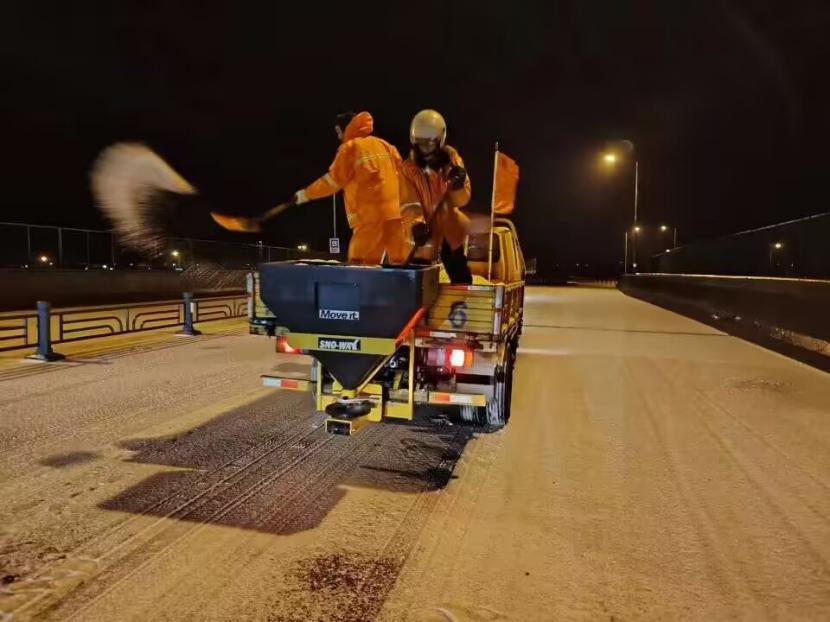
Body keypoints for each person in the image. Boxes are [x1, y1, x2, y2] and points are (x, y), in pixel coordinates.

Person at [287, 111, 407, 264]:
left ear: (347, 127)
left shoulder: (350, 148)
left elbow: (332, 182)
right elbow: (402, 175)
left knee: (359, 265)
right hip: (395, 216)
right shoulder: (385, 145)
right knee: (399, 264)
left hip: (369, 217)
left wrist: (305, 194)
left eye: (338, 131)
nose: (338, 136)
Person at [399, 109, 473, 283]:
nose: (425, 149)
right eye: (421, 143)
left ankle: (462, 297)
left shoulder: (451, 159)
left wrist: (458, 186)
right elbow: (408, 204)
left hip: (448, 230)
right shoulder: (407, 171)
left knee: (460, 276)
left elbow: (462, 200)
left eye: (430, 143)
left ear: (440, 140)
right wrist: (416, 225)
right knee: (419, 283)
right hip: (423, 235)